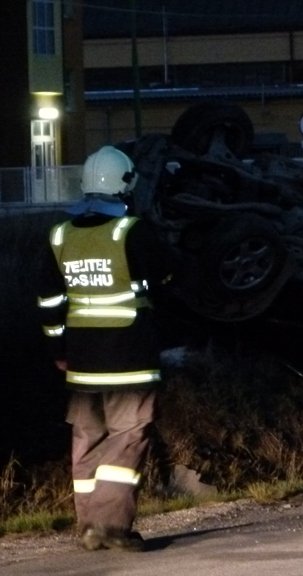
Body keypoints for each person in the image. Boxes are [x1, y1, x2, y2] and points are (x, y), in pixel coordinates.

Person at [37, 146, 170, 551]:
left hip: (81, 362)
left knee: (88, 438)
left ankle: (90, 526)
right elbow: (166, 277)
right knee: (128, 436)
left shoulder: (60, 235)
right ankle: (111, 526)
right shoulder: (131, 231)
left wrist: (58, 348)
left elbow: (49, 302)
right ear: (124, 185)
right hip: (130, 358)